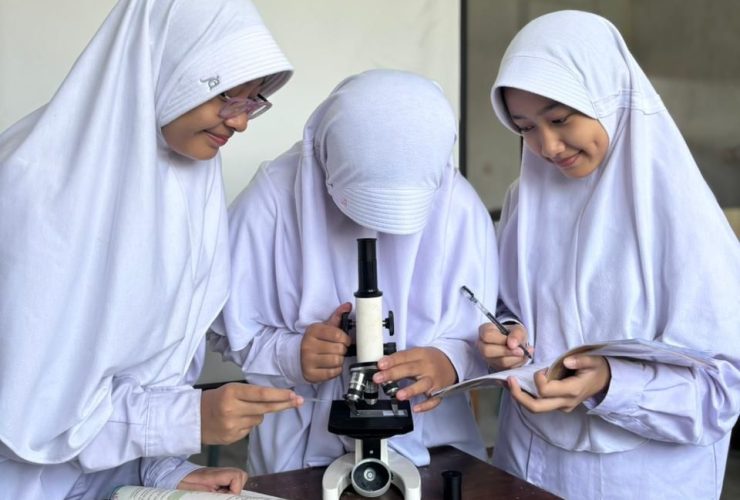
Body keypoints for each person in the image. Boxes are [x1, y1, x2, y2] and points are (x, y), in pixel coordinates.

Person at [0, 0, 303, 497]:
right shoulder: (34, 187)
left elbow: (157, 367)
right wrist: (183, 420)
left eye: (252, 101)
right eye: (228, 95)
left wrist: (164, 471)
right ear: (165, 64)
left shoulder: (190, 180)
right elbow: (22, 417)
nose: (241, 122)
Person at [478, 10, 740, 500]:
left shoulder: (680, 213)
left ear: (606, 97)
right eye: (525, 127)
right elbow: (504, 304)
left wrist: (609, 383)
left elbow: (724, 393)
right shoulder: (525, 200)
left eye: (560, 119)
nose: (547, 146)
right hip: (530, 465)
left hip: (646, 480)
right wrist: (504, 334)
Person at [209, 69, 497, 474]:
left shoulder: (457, 205)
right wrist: (293, 354)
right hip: (297, 458)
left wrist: (448, 362)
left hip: (434, 447)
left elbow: (489, 332)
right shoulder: (273, 197)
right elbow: (225, 328)